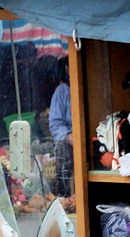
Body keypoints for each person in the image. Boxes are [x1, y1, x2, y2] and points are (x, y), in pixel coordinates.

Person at [48, 56, 74, 198]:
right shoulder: (62, 91)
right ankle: (65, 197)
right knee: (63, 147)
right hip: (69, 144)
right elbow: (55, 124)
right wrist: (68, 136)